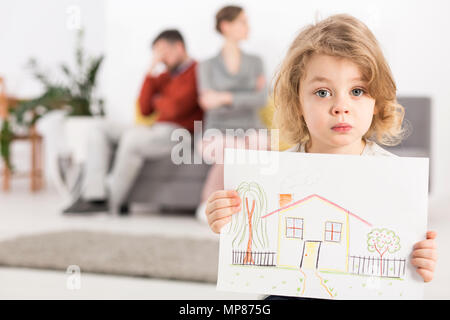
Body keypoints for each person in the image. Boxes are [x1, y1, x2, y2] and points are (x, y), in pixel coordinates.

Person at [204, 14, 438, 299]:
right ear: (298, 102)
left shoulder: (395, 178)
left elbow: (403, 259)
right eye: (323, 92)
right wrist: (225, 220)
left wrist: (419, 262)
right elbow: (251, 238)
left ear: (377, 100)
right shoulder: (275, 173)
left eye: (357, 91)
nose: (341, 106)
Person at [63, 29, 203, 215]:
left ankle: (110, 204)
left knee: (133, 139)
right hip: (154, 130)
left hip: (180, 134)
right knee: (98, 128)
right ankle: (94, 196)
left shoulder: (199, 71)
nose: (161, 58)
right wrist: (150, 71)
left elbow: (175, 108)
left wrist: (159, 101)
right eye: (157, 54)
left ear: (179, 47)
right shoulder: (162, 77)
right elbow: (145, 109)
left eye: (164, 52)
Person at [195, 5, 268, 222]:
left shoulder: (256, 62)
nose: (248, 27)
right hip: (216, 132)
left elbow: (261, 99)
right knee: (232, 152)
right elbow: (208, 102)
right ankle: (208, 203)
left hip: (252, 130)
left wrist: (224, 97)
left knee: (254, 148)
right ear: (226, 26)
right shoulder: (206, 65)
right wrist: (244, 95)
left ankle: (248, 209)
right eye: (242, 22)